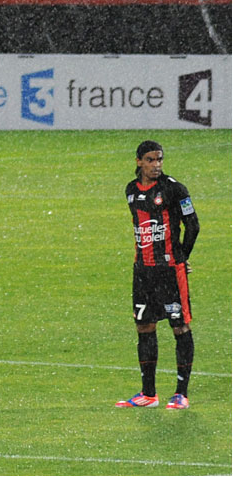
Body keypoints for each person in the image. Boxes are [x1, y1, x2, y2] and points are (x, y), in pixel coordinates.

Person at [115, 141, 200, 409]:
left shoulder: (174, 189)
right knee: (144, 326)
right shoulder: (131, 190)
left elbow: (193, 225)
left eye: (159, 159)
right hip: (142, 271)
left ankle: (181, 394)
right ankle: (148, 394)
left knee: (179, 326)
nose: (156, 165)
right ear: (139, 161)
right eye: (150, 160)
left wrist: (182, 257)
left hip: (169, 271)